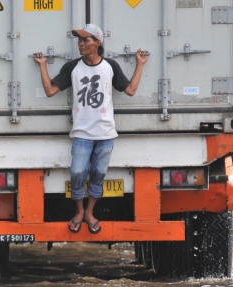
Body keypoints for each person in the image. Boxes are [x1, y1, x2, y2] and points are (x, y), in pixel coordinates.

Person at [33, 24, 148, 234]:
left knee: (98, 173)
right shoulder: (72, 67)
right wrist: (42, 65)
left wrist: (140, 64)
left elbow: (130, 90)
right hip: (81, 134)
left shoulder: (110, 66)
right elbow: (50, 90)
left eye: (86, 40)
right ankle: (78, 211)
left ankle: (89, 213)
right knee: (77, 172)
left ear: (98, 43)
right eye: (80, 40)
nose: (81, 44)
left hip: (105, 134)